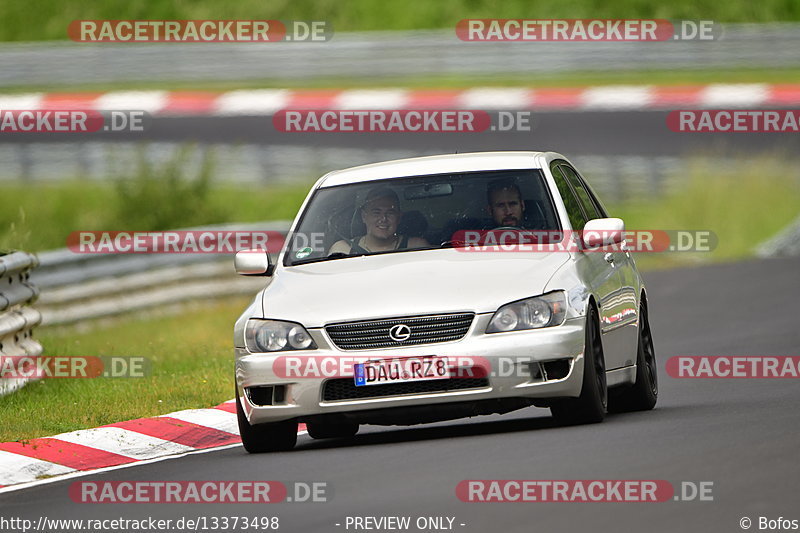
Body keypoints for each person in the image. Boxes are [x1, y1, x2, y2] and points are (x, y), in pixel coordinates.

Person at [329, 186, 428, 255]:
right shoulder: (343, 250)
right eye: (376, 213)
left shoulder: (416, 247)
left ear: (399, 217)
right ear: (364, 216)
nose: (383, 219)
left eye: (390, 213)